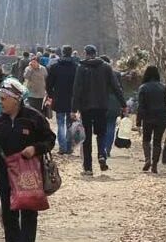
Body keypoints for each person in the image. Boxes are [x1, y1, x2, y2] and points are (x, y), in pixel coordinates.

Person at [0, 79, 56, 242]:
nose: (1, 102)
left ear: (16, 99)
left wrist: (35, 148)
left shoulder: (33, 118)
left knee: (29, 208)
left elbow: (49, 139)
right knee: (8, 210)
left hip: (29, 171)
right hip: (5, 171)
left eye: (4, 99)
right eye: (0, 99)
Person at [72, 45, 126, 175]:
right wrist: (123, 104)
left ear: (85, 53)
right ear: (96, 53)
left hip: (85, 107)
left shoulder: (81, 68)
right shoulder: (106, 67)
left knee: (87, 137)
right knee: (101, 133)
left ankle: (88, 168)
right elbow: (115, 86)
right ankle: (102, 154)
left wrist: (74, 109)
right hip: (102, 106)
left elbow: (77, 89)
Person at [136, 65, 166, 173]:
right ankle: (154, 163)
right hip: (161, 117)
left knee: (146, 139)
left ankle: (147, 159)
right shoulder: (163, 87)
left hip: (148, 117)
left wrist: (138, 122)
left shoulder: (143, 88)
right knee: (157, 141)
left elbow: (140, 106)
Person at [46, 45, 79, 154]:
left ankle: (62, 147)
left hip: (59, 97)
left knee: (60, 123)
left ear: (62, 53)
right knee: (70, 123)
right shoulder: (76, 67)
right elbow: (79, 85)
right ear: (71, 53)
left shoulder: (55, 67)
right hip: (71, 99)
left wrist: (51, 95)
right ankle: (69, 147)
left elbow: (49, 83)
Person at [100, 55, 126, 160]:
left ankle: (102, 148)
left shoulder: (97, 74)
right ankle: (108, 148)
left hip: (101, 102)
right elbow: (119, 89)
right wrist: (123, 104)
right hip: (114, 102)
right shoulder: (116, 74)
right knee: (111, 126)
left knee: (102, 126)